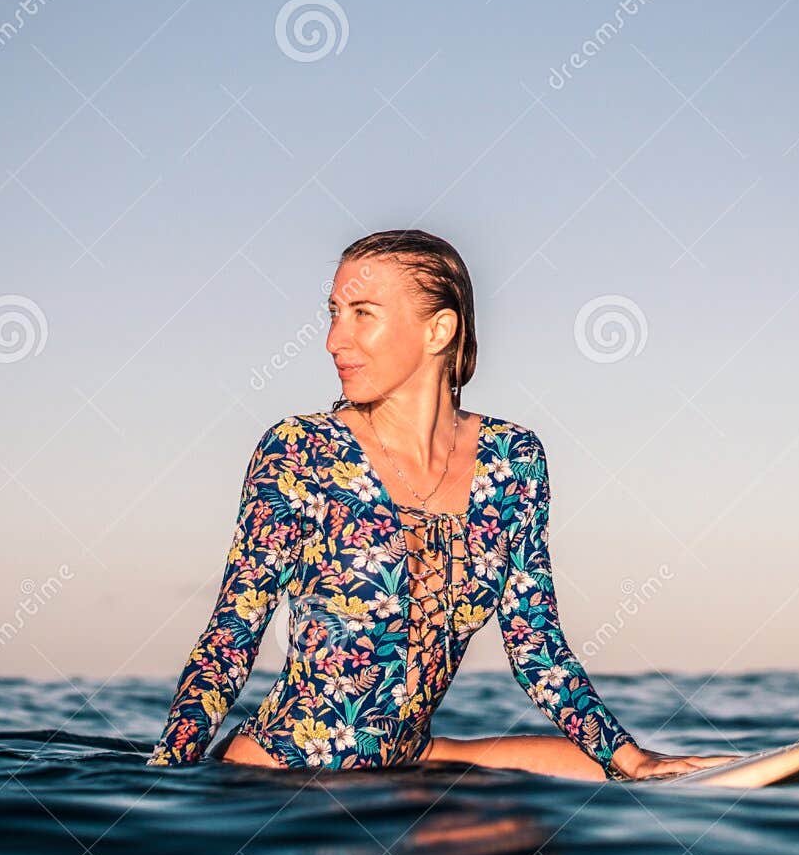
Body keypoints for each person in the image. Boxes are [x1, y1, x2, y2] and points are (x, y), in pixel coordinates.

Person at [146, 229, 739, 781]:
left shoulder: (512, 461)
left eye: (361, 315)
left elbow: (537, 647)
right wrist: (167, 780)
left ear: (438, 331)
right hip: (290, 773)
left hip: (416, 758)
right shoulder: (302, 452)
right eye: (332, 314)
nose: (333, 340)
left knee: (590, 782)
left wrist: (631, 757)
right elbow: (231, 636)